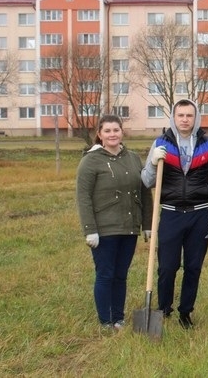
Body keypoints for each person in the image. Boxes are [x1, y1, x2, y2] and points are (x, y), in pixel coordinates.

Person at [141, 99, 208, 329]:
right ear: (173, 117)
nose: (185, 120)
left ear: (196, 117)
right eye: (181, 115)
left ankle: (186, 312)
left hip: (200, 215)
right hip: (171, 214)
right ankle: (164, 308)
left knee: (193, 266)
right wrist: (151, 162)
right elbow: (147, 180)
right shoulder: (161, 144)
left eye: (189, 115)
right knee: (167, 266)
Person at [76, 115, 153, 331]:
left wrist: (146, 223)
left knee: (121, 274)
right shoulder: (90, 161)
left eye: (116, 130)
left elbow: (144, 191)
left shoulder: (133, 158)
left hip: (129, 227)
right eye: (107, 131)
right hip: (104, 229)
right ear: (99, 134)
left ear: (122, 132)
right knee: (106, 274)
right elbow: (83, 198)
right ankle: (105, 320)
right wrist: (90, 230)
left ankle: (118, 318)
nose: (112, 134)